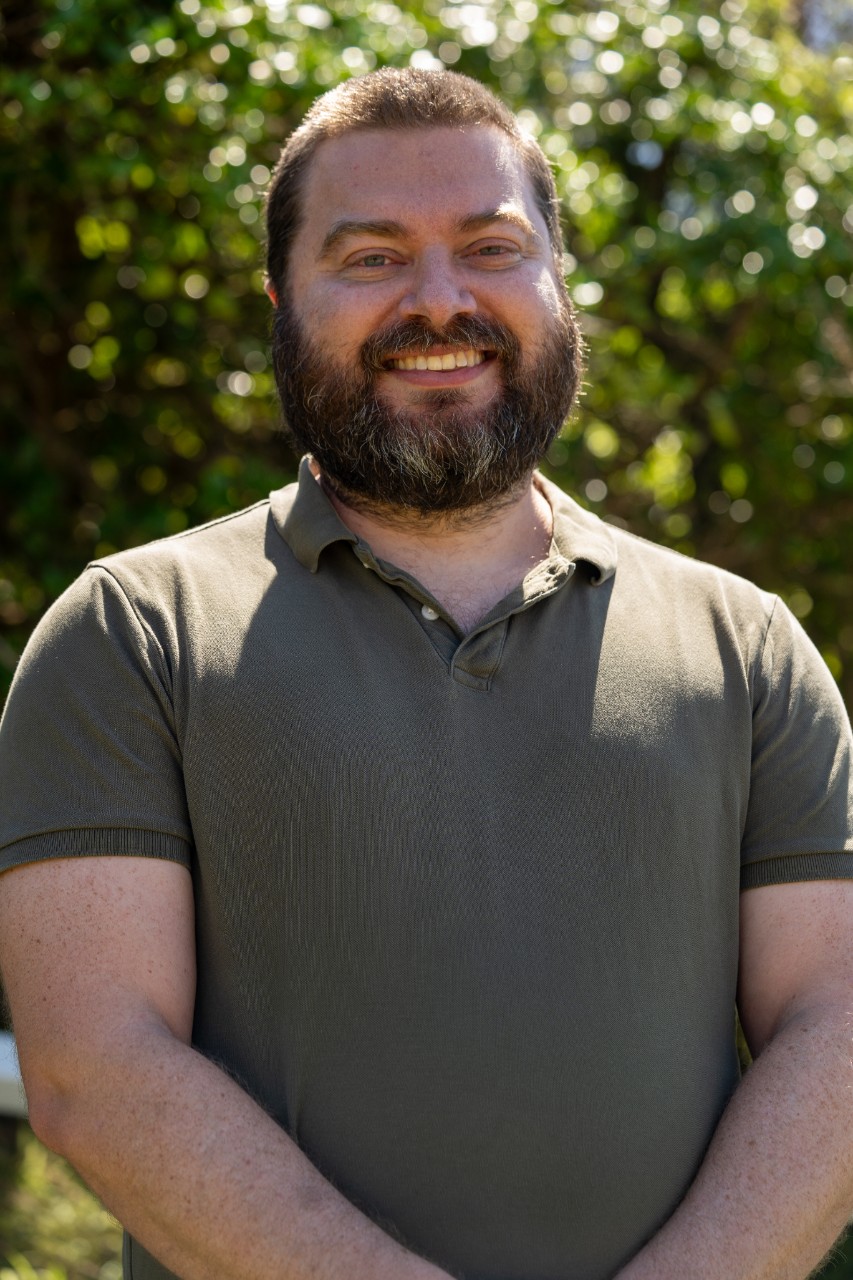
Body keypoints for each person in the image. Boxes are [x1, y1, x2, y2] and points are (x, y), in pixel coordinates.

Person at [0, 66, 851, 1280]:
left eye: (491, 246)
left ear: (561, 283)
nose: (439, 300)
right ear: (282, 298)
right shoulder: (133, 634)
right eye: (371, 257)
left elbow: (837, 1028)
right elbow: (96, 1069)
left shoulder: (748, 645)